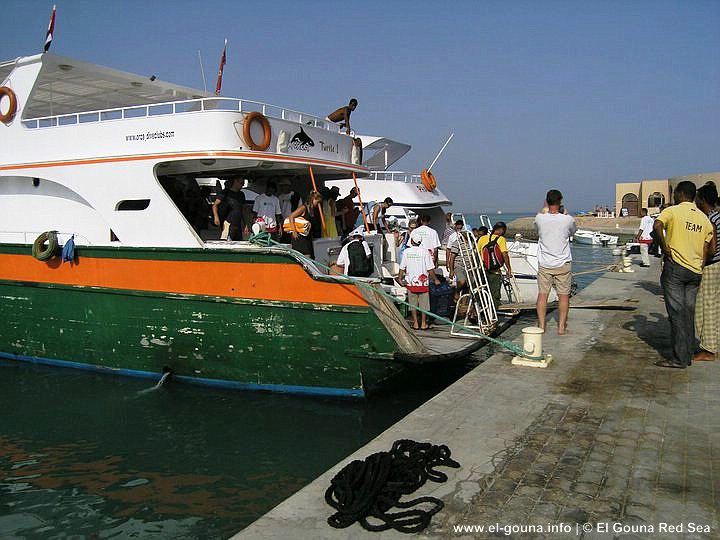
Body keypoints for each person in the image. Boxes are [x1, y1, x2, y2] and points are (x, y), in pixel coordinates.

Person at [653, 181, 713, 369]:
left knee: (677, 314)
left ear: (679, 194)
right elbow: (708, 247)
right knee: (689, 313)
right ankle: (687, 353)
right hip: (695, 271)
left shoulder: (673, 211)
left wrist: (664, 247)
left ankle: (679, 358)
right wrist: (700, 265)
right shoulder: (703, 219)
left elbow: (657, 226)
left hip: (676, 269)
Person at [534, 189, 577, 335]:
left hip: (545, 263)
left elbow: (537, 229)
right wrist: (565, 214)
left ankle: (541, 326)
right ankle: (561, 327)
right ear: (560, 202)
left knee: (542, 295)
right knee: (563, 296)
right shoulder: (568, 219)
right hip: (563, 262)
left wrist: (544, 210)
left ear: (546, 201)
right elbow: (572, 232)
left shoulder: (540, 218)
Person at [693, 183, 719, 362]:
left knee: (705, 306)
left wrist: (700, 264)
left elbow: (711, 248)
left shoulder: (711, 219)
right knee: (715, 306)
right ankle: (713, 344)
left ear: (702, 199)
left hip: (712, 266)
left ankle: (708, 349)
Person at [397, 229, 441, 331]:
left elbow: (402, 267)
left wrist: (399, 278)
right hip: (423, 283)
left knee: (412, 304)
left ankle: (416, 323)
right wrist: (435, 279)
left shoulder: (407, 252)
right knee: (424, 305)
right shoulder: (425, 252)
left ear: (412, 241)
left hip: (411, 282)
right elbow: (430, 268)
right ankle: (424, 323)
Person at [476, 221, 513, 311]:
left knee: (482, 293)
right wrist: (509, 268)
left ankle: (481, 313)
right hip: (495, 272)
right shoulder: (501, 239)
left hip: (483, 270)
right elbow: (504, 254)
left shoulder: (482, 238)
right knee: (494, 294)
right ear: (501, 230)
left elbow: (476, 253)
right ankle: (493, 315)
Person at [287, 191, 323, 257]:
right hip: (299, 237)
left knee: (311, 256)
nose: (318, 204)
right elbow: (291, 216)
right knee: (306, 256)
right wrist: (294, 231)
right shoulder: (303, 207)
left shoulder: (313, 210)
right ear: (313, 199)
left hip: (307, 237)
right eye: (317, 202)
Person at [212, 176, 246, 241]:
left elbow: (243, 210)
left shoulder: (241, 194)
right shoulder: (225, 193)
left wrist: (245, 224)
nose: (242, 186)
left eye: (243, 184)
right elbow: (215, 205)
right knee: (226, 241)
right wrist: (216, 217)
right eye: (241, 183)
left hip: (238, 224)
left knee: (238, 242)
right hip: (228, 222)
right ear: (235, 181)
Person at [446, 219, 469, 293]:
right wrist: (448, 264)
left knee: (467, 285)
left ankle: (463, 303)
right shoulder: (453, 237)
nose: (459, 227)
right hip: (458, 263)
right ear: (455, 226)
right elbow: (449, 250)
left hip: (467, 264)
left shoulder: (469, 240)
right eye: (458, 225)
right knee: (461, 281)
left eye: (460, 225)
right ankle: (456, 293)